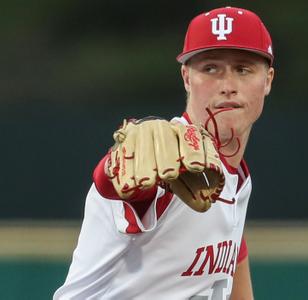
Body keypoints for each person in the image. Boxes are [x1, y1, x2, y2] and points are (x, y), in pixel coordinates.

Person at [54, 6, 274, 300]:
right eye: (210, 69)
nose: (228, 86)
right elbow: (116, 185)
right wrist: (112, 166)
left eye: (243, 69)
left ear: (268, 80)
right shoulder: (168, 159)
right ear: (186, 78)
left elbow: (232, 250)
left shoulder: (234, 179)